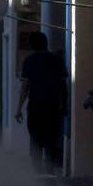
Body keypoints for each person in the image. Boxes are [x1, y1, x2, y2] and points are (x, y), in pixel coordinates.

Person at [15, 31, 67, 172]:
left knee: (35, 143)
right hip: (53, 108)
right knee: (51, 144)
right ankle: (49, 175)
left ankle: (37, 177)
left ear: (33, 45)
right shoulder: (57, 60)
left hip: (36, 108)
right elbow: (63, 85)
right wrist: (64, 106)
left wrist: (18, 108)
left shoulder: (29, 61)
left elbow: (25, 87)